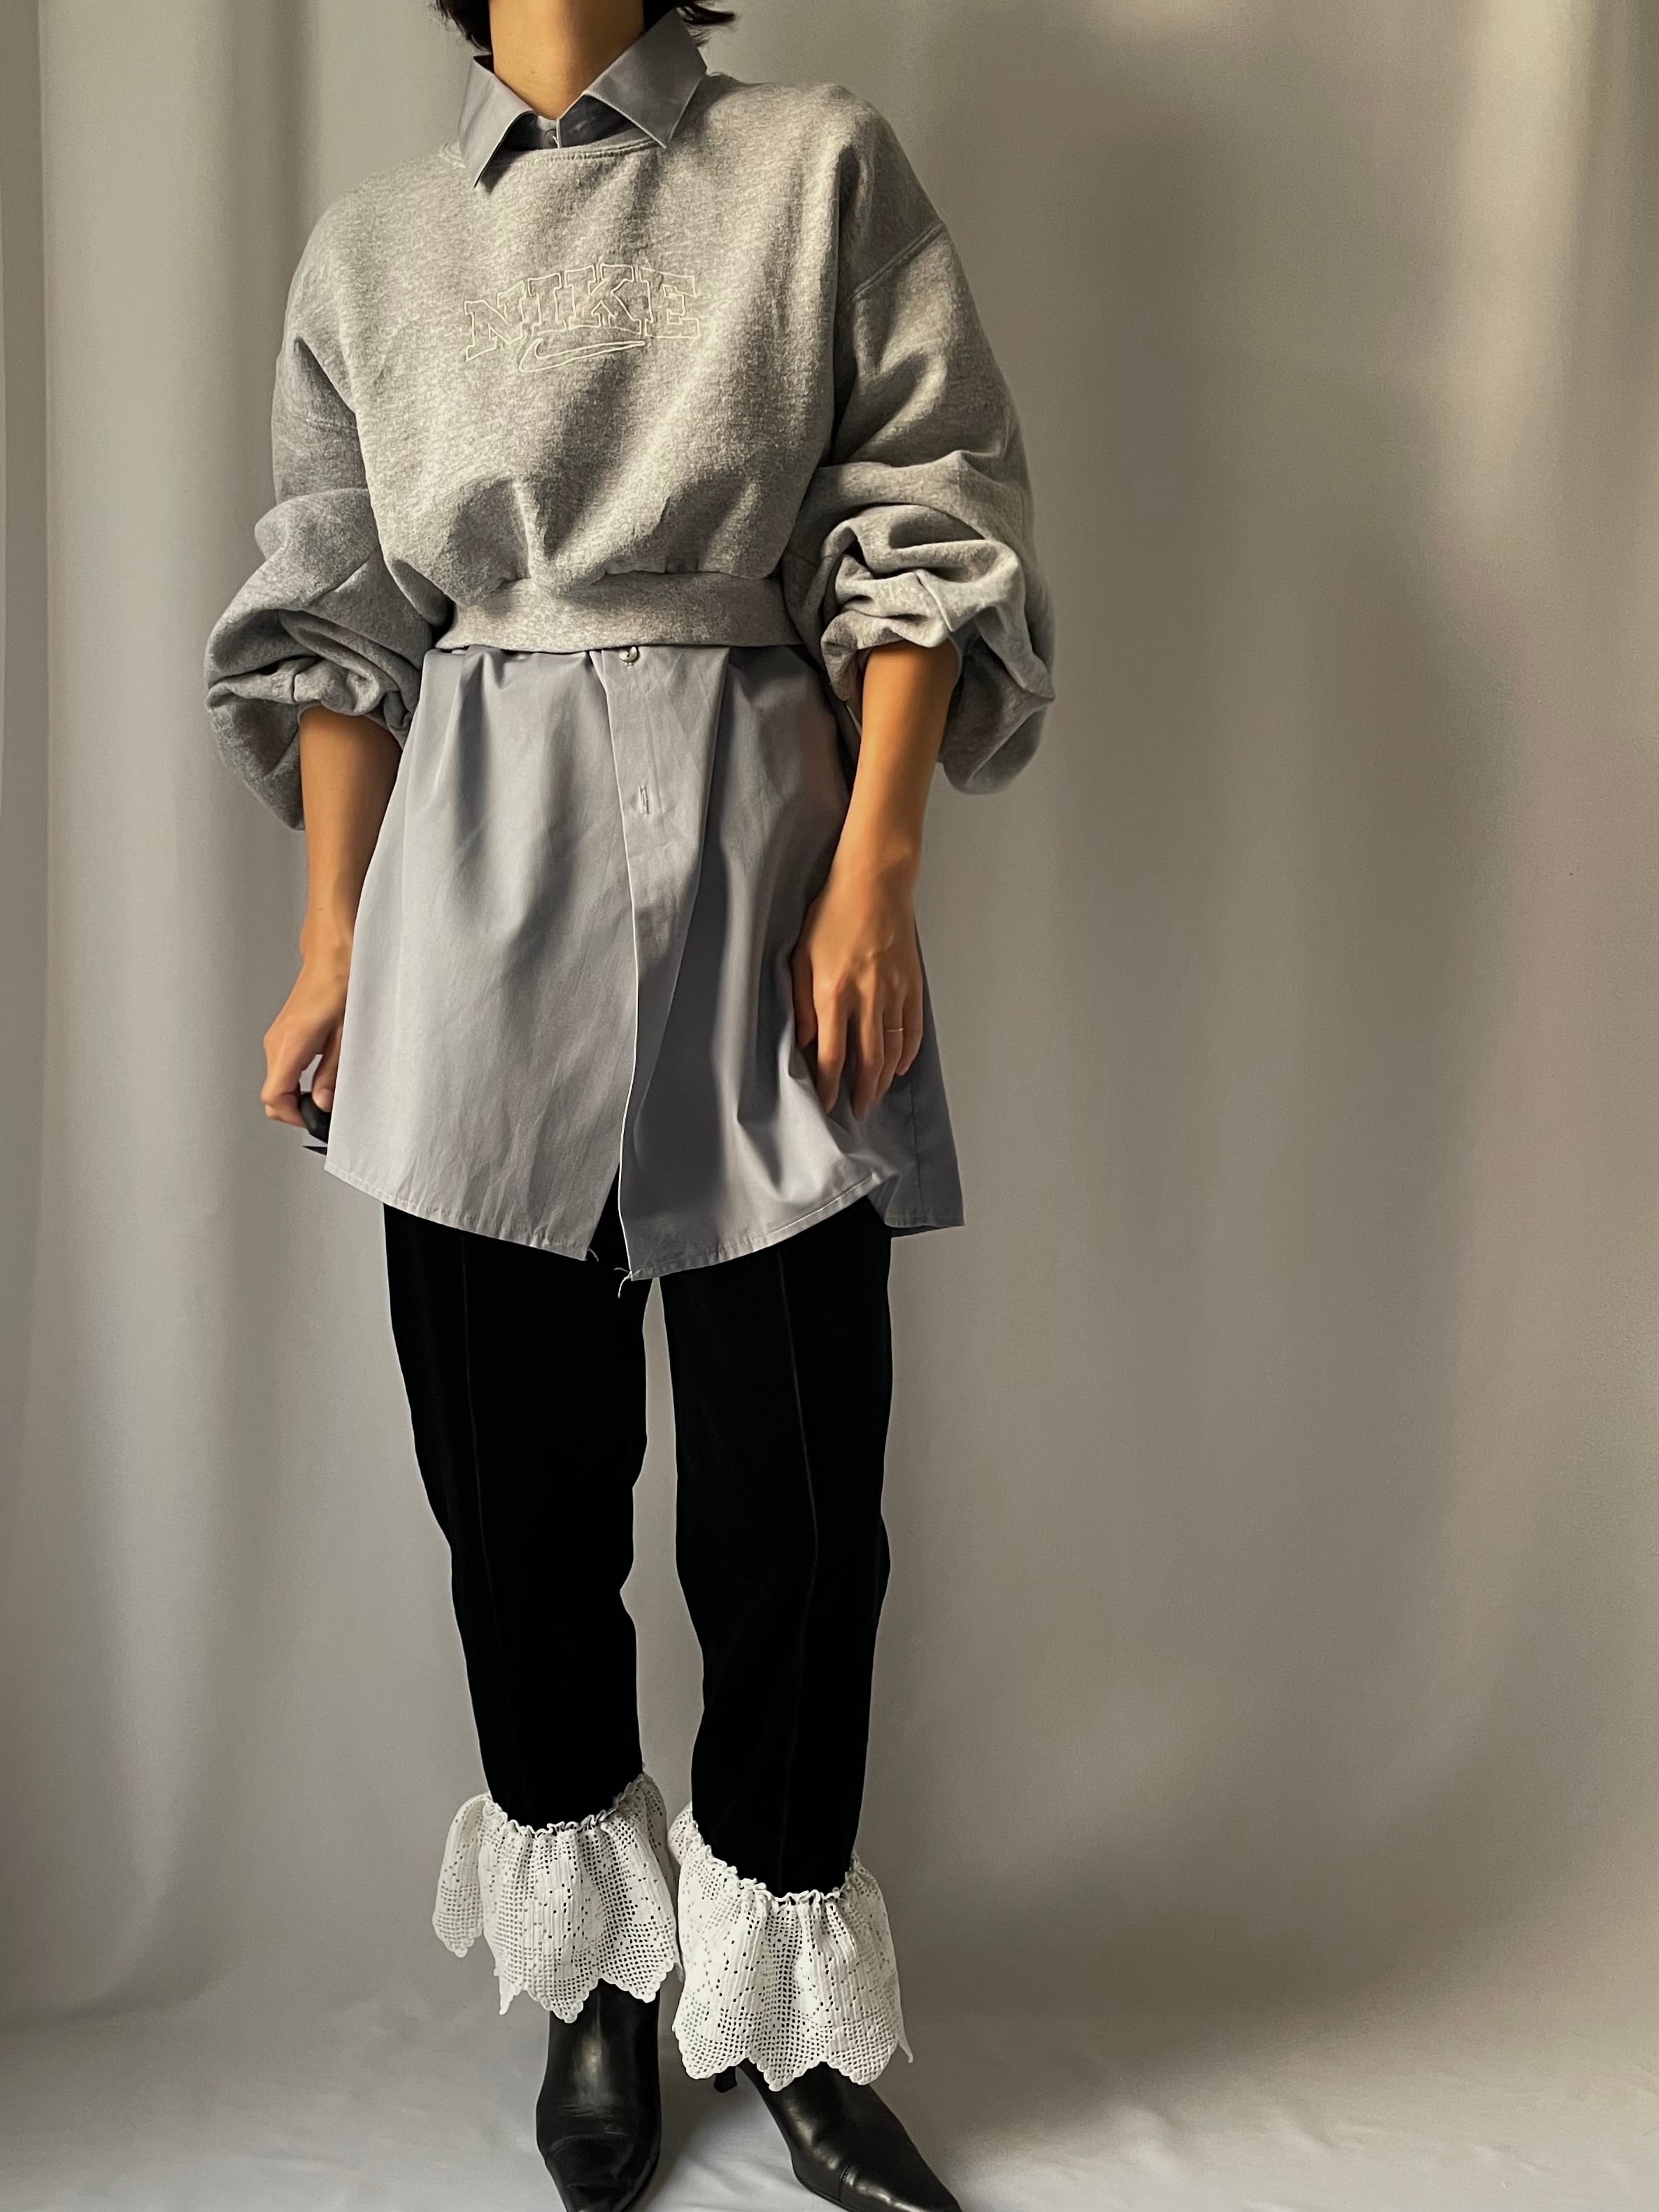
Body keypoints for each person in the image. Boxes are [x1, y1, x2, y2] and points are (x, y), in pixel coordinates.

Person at [203, 2, 1055, 2206]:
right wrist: (329, 944)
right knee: (516, 1492)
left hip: (763, 878)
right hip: (470, 902)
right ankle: (596, 1975)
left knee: (797, 1506)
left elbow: (922, 511)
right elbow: (340, 619)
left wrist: (875, 872)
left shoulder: (817, 168)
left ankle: (778, 1998)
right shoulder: (372, 246)